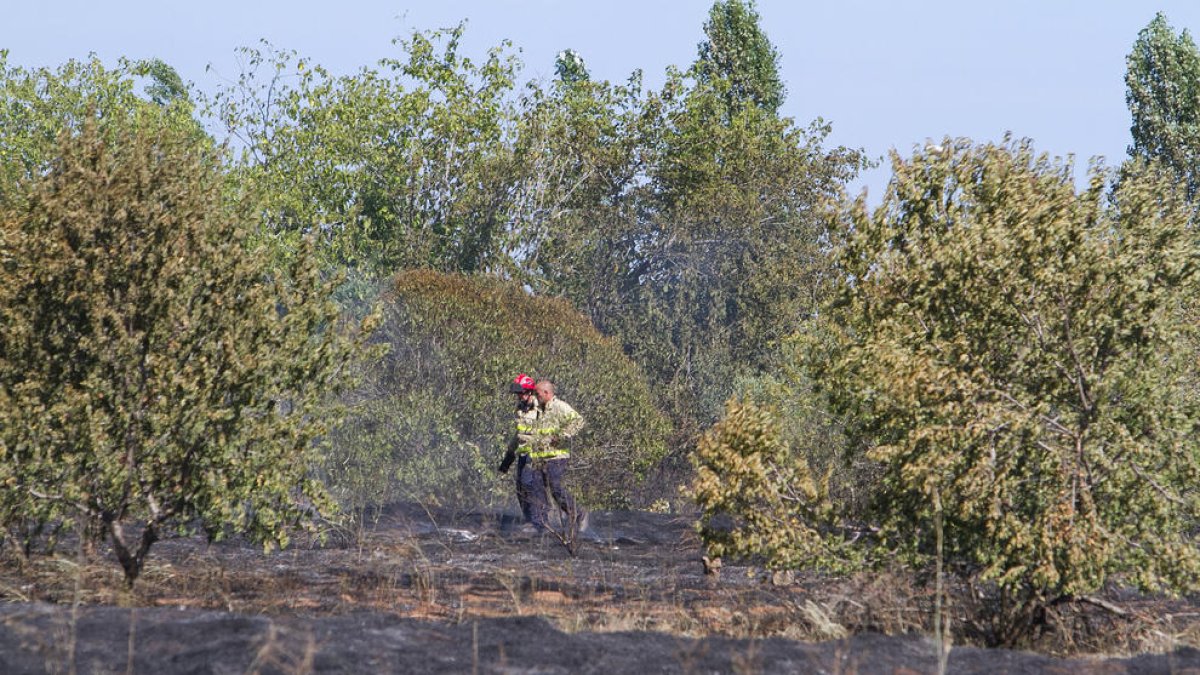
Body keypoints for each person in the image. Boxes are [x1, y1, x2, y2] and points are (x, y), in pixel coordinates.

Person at [517, 379, 588, 534]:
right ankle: (541, 525)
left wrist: (562, 435)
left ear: (546, 393)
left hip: (556, 457)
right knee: (536, 488)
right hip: (539, 457)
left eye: (538, 393)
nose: (536, 396)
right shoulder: (538, 409)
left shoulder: (559, 406)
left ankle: (577, 513)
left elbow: (578, 421)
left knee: (555, 487)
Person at [500, 373, 539, 527]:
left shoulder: (541, 408)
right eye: (517, 394)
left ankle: (538, 521)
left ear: (529, 392)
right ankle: (530, 520)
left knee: (528, 485)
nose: (518, 396)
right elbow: (519, 434)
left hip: (538, 453)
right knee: (520, 488)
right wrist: (509, 457)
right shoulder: (520, 409)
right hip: (524, 452)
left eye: (520, 393)